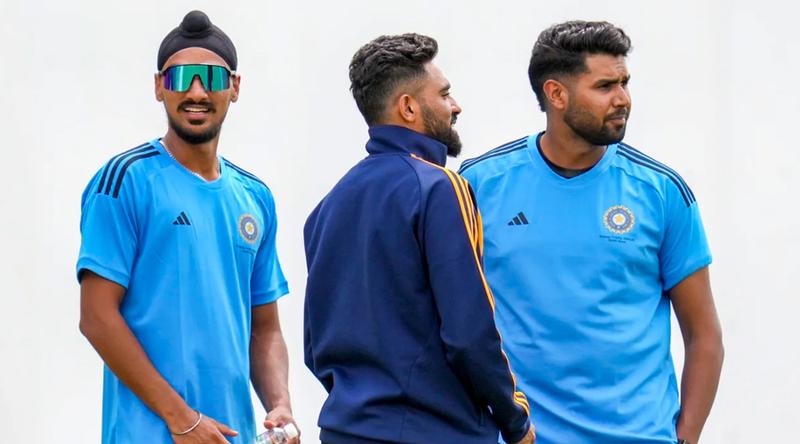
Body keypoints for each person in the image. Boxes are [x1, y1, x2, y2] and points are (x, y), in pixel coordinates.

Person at [458, 20, 724, 444]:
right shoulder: (479, 184)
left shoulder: (661, 191)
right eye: (605, 86)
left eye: (624, 83)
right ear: (556, 94)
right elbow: (452, 320)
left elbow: (704, 335)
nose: (623, 99)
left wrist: (686, 438)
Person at [77, 10, 299, 444]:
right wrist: (182, 419)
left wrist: (280, 403)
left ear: (235, 87)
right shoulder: (124, 181)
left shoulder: (254, 197)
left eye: (211, 78)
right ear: (159, 86)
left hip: (232, 434)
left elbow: (265, 328)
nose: (196, 92)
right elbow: (97, 318)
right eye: (180, 78)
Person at [303, 33, 535, 444]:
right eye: (444, 94)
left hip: (343, 431)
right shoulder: (440, 188)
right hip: (435, 432)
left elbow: (314, 347)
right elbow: (469, 335)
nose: (455, 106)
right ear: (408, 107)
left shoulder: (326, 207)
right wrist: (514, 419)